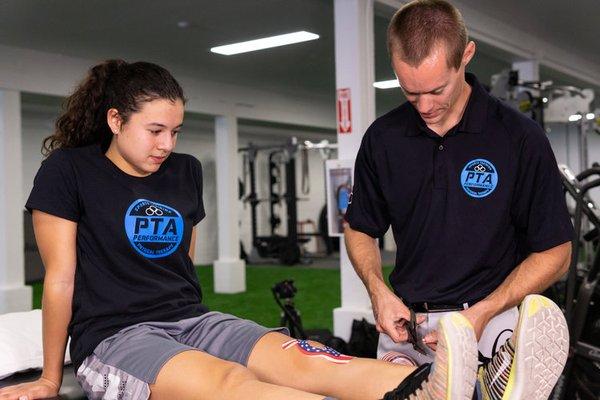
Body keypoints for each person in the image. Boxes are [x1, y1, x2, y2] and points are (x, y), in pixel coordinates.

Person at [0, 59, 501, 400]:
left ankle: (438, 385)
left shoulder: (184, 170)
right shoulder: (68, 171)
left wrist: (191, 330)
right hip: (116, 338)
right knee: (232, 384)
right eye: (155, 131)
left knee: (316, 362)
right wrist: (49, 378)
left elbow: (180, 269)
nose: (166, 144)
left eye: (174, 131)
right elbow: (60, 279)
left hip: (191, 320)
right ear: (114, 119)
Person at [344, 0, 572, 398]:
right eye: (410, 92)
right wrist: (379, 291)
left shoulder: (518, 137)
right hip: (410, 328)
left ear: (466, 55)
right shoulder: (383, 138)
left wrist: (483, 312)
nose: (425, 106)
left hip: (491, 318)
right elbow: (360, 227)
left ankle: (496, 375)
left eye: (436, 89)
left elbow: (556, 251)